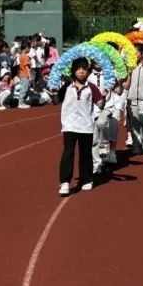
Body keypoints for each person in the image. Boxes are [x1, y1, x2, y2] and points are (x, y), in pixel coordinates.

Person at [57, 58, 103, 196]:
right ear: (73, 71)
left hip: (86, 125)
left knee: (85, 153)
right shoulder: (66, 87)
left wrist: (104, 97)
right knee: (68, 152)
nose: (81, 71)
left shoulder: (91, 87)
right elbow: (56, 100)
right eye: (78, 68)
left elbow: (100, 104)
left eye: (84, 69)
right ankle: (65, 182)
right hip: (69, 125)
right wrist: (52, 90)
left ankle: (86, 179)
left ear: (88, 72)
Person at [126, 45, 143, 155]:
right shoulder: (130, 67)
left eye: (136, 52)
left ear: (142, 54)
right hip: (131, 99)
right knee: (134, 124)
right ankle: (136, 145)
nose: (134, 55)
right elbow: (126, 85)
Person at [93, 79, 125, 174]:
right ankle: (99, 160)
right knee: (96, 134)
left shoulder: (109, 75)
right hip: (95, 108)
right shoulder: (89, 74)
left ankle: (111, 153)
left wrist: (121, 82)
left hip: (112, 106)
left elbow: (119, 90)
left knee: (112, 128)